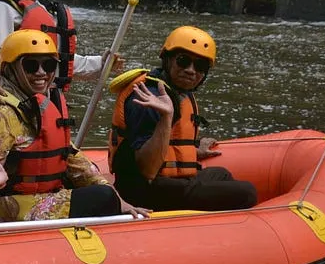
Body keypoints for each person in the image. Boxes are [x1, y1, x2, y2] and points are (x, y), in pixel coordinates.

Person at [0, 29, 148, 222]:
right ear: (10, 69)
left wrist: (119, 200)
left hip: (42, 197)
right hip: (6, 204)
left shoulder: (43, 106)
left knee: (104, 192)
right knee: (102, 198)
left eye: (48, 65)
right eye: (31, 65)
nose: (41, 73)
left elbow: (73, 158)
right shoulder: (0, 114)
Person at [107, 26, 257, 212]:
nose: (191, 71)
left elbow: (169, 143)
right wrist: (166, 116)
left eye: (200, 66)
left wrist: (195, 149)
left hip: (170, 183)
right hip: (145, 190)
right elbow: (147, 169)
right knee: (247, 193)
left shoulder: (178, 92)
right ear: (167, 60)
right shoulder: (146, 96)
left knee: (221, 174)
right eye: (183, 61)